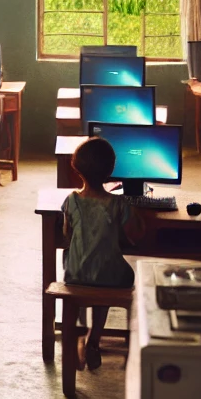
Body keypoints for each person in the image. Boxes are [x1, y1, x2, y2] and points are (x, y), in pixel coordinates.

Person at [62, 137, 143, 371]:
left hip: (75, 275)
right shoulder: (118, 205)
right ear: (111, 169)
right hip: (110, 277)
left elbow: (66, 233)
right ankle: (94, 339)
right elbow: (135, 234)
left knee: (83, 267)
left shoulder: (71, 201)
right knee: (111, 271)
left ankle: (78, 334)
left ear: (76, 168)